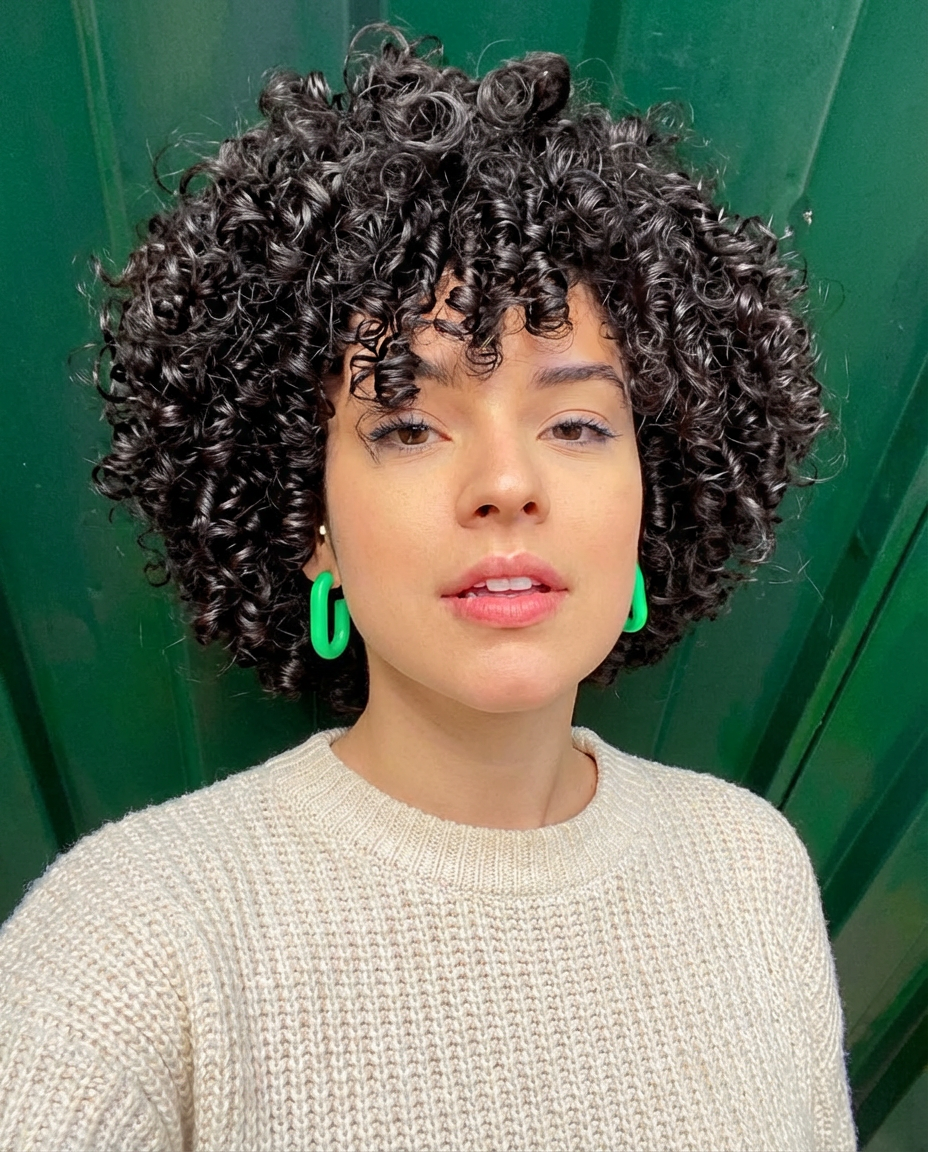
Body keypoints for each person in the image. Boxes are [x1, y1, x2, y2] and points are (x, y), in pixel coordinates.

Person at [0, 27, 856, 1152]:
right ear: (306, 520)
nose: (506, 484)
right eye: (405, 423)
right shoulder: (128, 944)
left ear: (657, 492)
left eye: (576, 422)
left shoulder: (751, 869)